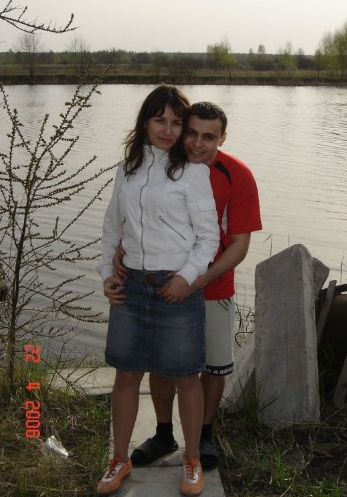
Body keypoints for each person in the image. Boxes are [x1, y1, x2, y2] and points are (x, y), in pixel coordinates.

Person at [108, 101, 262, 471]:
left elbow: (239, 244)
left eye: (208, 137)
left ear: (222, 138)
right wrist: (122, 249)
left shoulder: (237, 175)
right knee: (163, 366)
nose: (196, 143)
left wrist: (196, 281)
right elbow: (136, 216)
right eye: (190, 132)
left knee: (212, 367)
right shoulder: (161, 166)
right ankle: (164, 433)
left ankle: (203, 435)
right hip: (160, 285)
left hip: (213, 286)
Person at [96, 87, 219, 496]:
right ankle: (119, 459)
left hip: (176, 288)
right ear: (145, 122)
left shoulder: (193, 173)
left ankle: (192, 460)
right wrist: (107, 273)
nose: (167, 130)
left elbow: (208, 238)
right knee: (127, 375)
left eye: (176, 123)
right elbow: (111, 228)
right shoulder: (127, 169)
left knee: (186, 378)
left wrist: (186, 277)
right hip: (131, 287)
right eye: (159, 120)